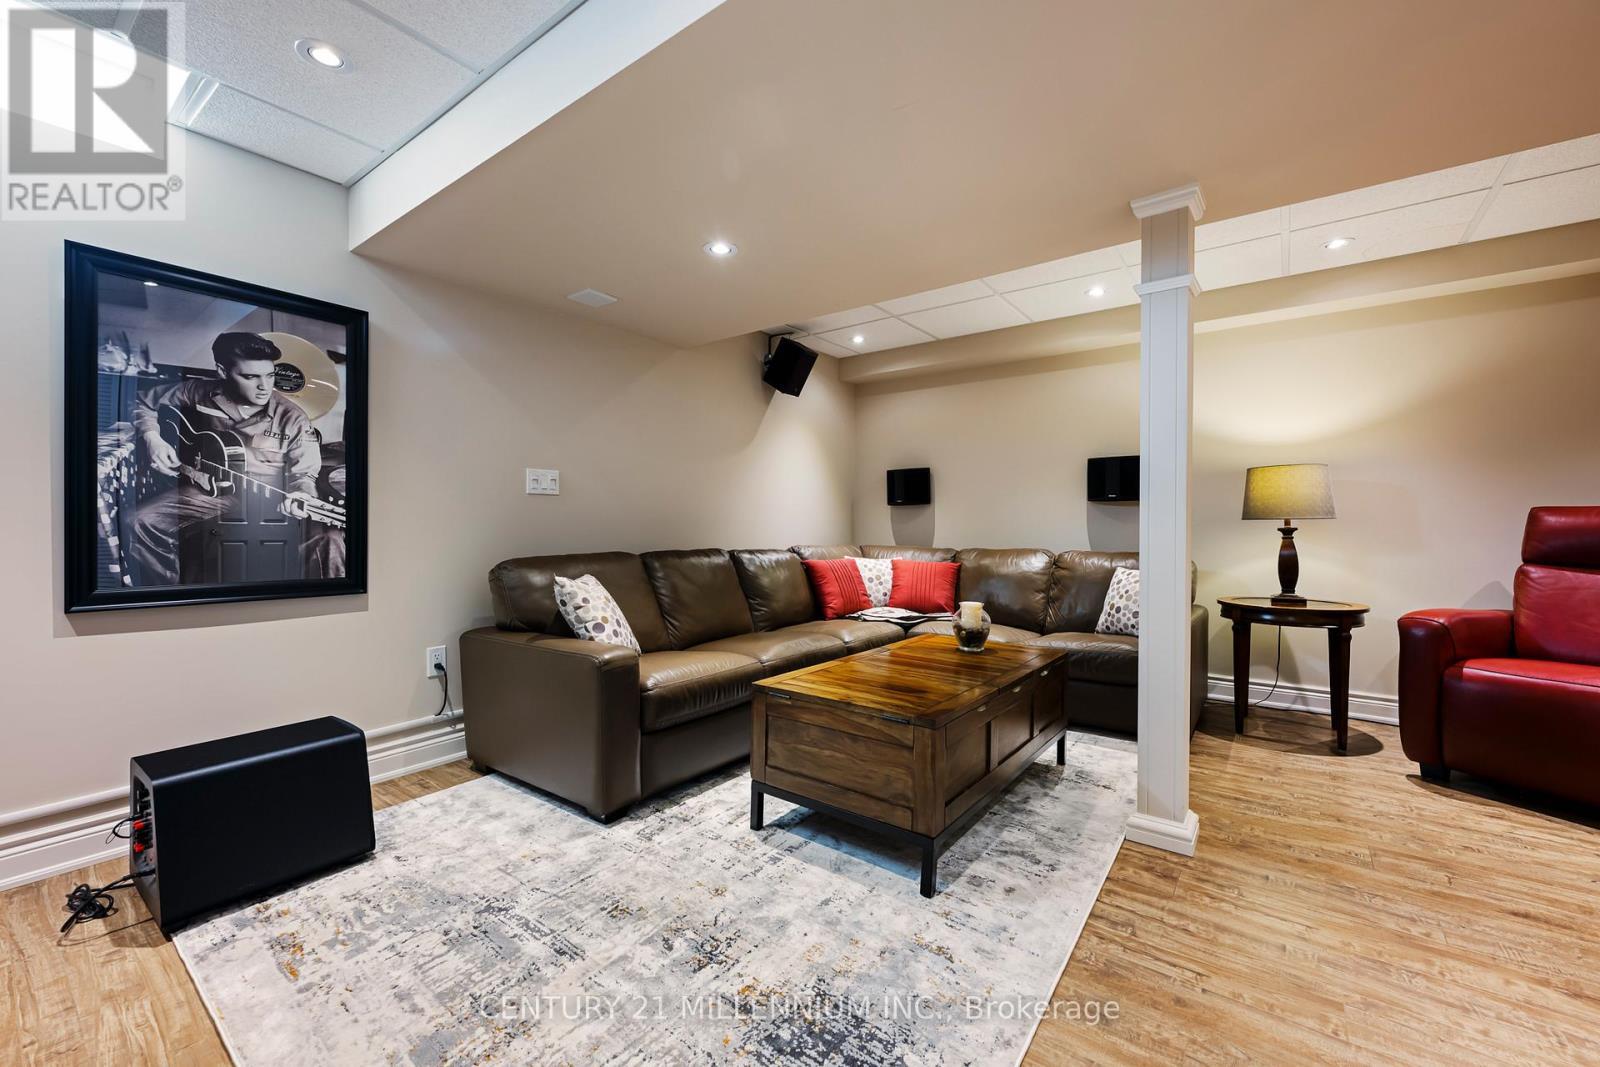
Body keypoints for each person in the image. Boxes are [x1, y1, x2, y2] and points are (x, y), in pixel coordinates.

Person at [129, 332, 323, 584]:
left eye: (270, 375)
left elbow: (305, 474)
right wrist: (153, 438)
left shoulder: (293, 417)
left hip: (265, 498)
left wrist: (303, 493)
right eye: (250, 377)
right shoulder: (198, 391)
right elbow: (142, 402)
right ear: (222, 371)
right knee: (139, 522)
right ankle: (168, 598)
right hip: (207, 488)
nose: (265, 386)